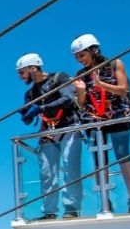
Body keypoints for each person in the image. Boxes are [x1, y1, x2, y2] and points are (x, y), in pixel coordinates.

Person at [70, 33, 130, 214]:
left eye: (82, 55)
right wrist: (80, 92)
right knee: (98, 161)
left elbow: (123, 89)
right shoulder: (80, 75)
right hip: (94, 121)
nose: (80, 60)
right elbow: (80, 104)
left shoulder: (114, 64)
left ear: (93, 51)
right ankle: (104, 200)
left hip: (117, 116)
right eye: (77, 57)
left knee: (122, 155)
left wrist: (100, 84)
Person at [16, 53, 82, 220]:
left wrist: (41, 108)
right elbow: (28, 118)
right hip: (48, 132)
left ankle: (71, 208)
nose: (21, 77)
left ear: (33, 68)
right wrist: (27, 114)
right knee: (47, 173)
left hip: (68, 126)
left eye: (22, 72)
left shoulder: (59, 78)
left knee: (70, 168)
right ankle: (49, 211)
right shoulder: (30, 94)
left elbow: (68, 98)